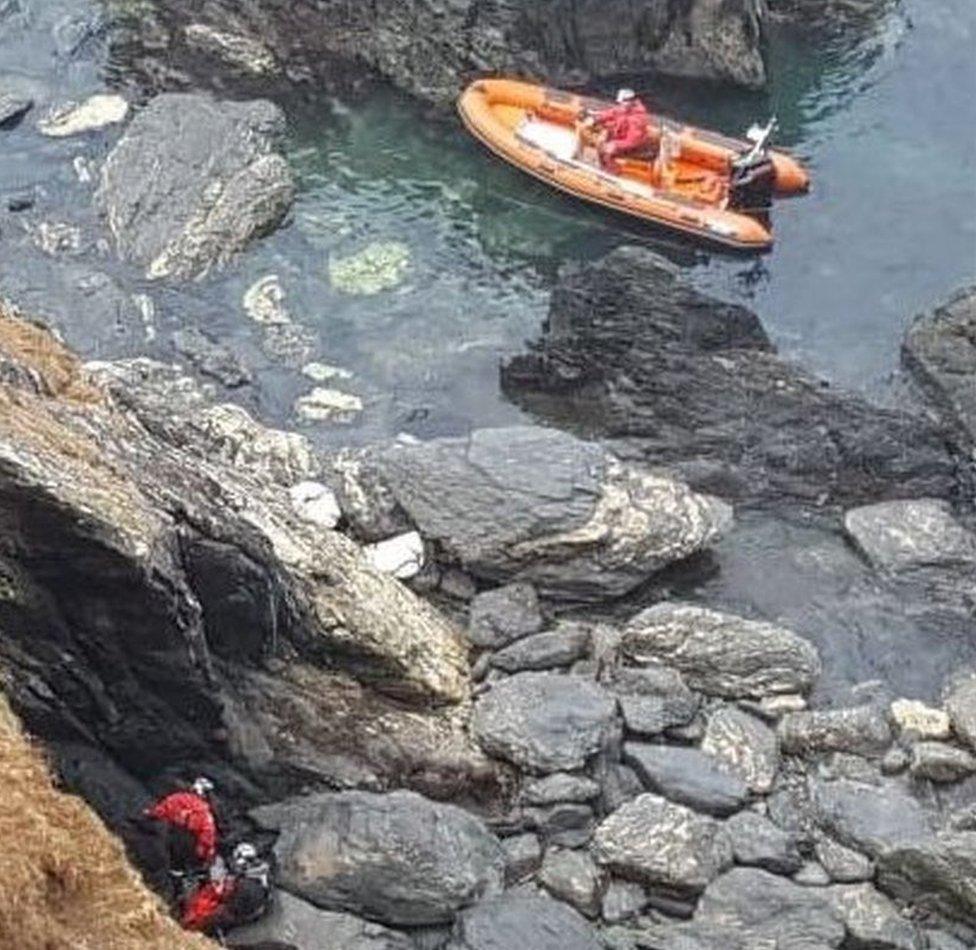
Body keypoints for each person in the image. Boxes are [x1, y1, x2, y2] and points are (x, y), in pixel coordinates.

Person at [180, 842, 273, 934]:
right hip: (237, 907)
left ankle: (189, 924)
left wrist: (222, 891)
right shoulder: (257, 874)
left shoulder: (249, 886)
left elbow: (233, 908)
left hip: (235, 913)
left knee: (206, 906)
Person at [143, 776, 220, 872]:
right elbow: (207, 838)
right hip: (181, 851)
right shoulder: (205, 815)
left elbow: (160, 811)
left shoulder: (178, 798)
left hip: (161, 839)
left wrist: (149, 814)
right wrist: (204, 856)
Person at [590, 88, 651, 174]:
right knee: (601, 138)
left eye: (624, 102)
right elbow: (612, 113)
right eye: (621, 103)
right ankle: (599, 163)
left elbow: (633, 141)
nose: (621, 105)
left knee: (608, 150)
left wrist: (616, 144)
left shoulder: (637, 119)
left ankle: (612, 171)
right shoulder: (624, 108)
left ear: (630, 101)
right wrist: (597, 118)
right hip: (620, 137)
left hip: (631, 146)